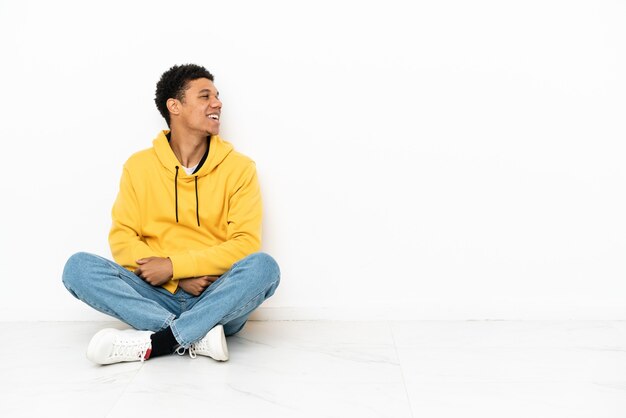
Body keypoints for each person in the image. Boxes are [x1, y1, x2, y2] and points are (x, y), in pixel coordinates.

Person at [62, 64, 280, 365]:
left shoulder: (239, 168)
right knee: (78, 269)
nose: (217, 103)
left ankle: (162, 340)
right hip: (157, 292)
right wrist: (175, 280)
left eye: (217, 96)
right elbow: (123, 239)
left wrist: (174, 266)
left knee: (264, 268)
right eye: (205, 96)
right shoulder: (139, 167)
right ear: (174, 106)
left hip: (216, 293)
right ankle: (198, 336)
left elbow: (244, 244)